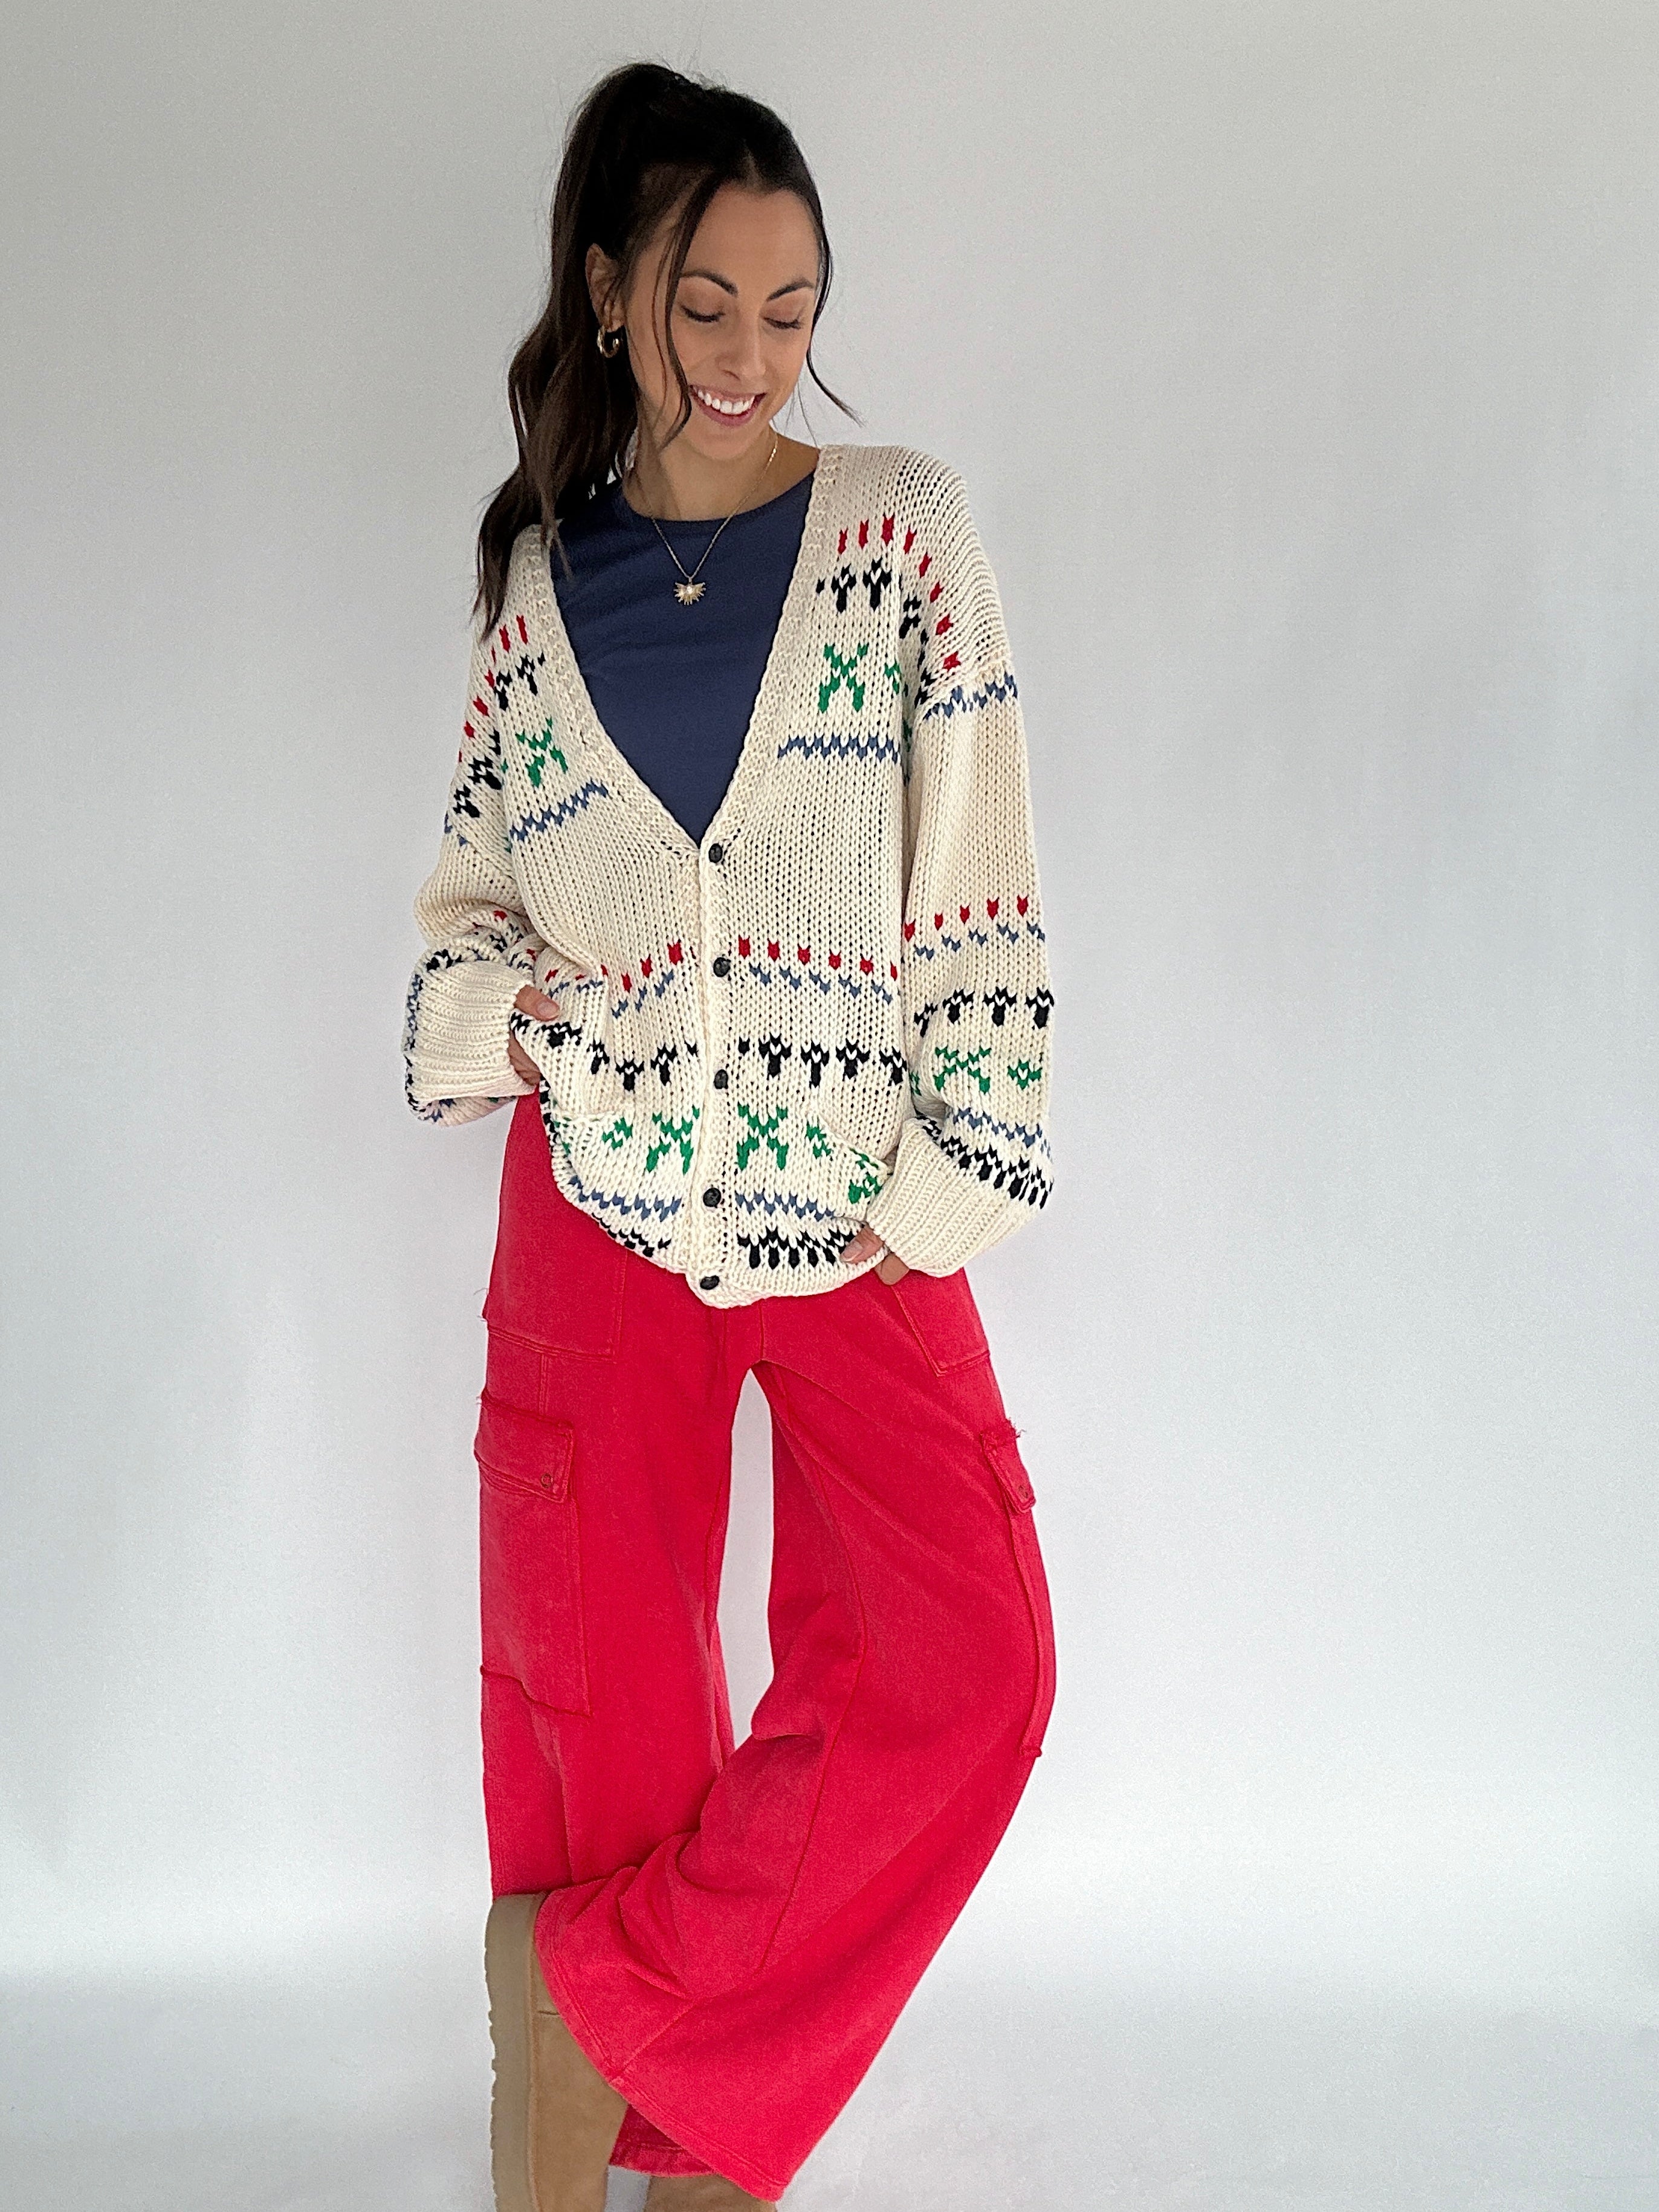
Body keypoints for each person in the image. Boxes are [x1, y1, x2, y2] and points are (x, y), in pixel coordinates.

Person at [402, 58, 1058, 2212]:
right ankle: (640, 2154)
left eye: (789, 309)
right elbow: (464, 925)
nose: (751, 360)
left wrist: (944, 1173)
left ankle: (594, 2007)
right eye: (704, 307)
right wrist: (520, 1028)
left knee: (966, 1666)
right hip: (591, 1201)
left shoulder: (901, 535)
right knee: (601, 1705)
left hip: (858, 1202)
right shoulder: (536, 586)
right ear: (609, 295)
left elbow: (978, 882)